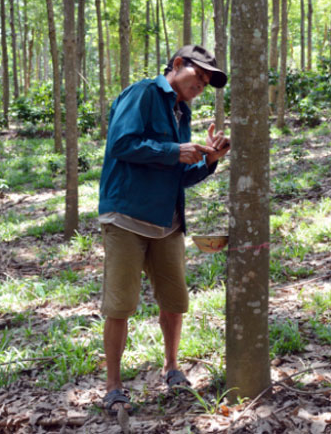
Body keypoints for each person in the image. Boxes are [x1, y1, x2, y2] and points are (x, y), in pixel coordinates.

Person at [97, 45, 230, 416]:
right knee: (120, 305)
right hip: (126, 216)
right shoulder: (143, 93)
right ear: (176, 65)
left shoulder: (180, 112)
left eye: (207, 82)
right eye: (198, 76)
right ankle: (113, 387)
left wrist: (208, 161)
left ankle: (172, 368)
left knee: (174, 301)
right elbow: (121, 143)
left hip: (167, 221)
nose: (201, 85)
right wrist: (174, 149)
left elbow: (177, 175)